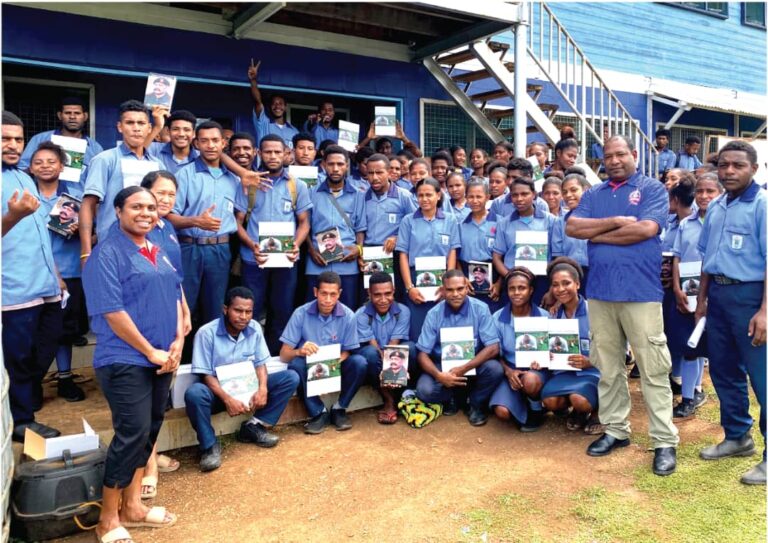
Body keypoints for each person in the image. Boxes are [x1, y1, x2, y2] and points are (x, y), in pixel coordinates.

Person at [566, 135, 679, 476]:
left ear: (634, 154)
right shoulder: (594, 194)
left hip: (641, 294)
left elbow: (645, 229)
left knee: (653, 369)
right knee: (608, 367)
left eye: (620, 154)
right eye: (607, 156)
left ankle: (664, 441)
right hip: (600, 293)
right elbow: (573, 226)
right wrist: (615, 222)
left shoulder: (652, 189)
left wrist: (595, 234)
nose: (614, 160)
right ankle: (616, 431)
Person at [82, 186, 182, 543]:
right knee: (132, 433)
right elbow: (112, 312)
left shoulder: (157, 249)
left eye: (152, 207)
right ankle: (108, 519)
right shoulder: (106, 254)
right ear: (119, 211)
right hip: (124, 359)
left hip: (161, 356)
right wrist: (149, 350)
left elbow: (173, 294)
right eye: (137, 206)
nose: (146, 212)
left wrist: (177, 340)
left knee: (150, 428)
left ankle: (134, 507)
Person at [695, 140, 766, 485]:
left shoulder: (763, 205)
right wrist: (702, 302)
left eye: (738, 165)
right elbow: (707, 258)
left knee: (763, 379)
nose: (729, 171)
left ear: (754, 168)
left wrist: (765, 311)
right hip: (719, 298)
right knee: (724, 371)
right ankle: (738, 437)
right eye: (724, 165)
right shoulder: (718, 205)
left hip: (752, 297)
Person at [185, 287, 299, 471]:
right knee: (194, 393)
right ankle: (209, 446)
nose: (244, 316)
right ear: (225, 309)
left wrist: (262, 389)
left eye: (248, 311)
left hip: (248, 390)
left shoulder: (254, 328)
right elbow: (205, 375)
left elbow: (261, 364)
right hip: (219, 394)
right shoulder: (206, 333)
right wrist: (228, 399)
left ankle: (254, 426)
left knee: (290, 377)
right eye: (238, 310)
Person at [2, 111, 63, 441]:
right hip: (13, 291)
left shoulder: (25, 178)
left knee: (45, 346)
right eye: (4, 139)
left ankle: (20, 401)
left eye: (18, 139)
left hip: (46, 285)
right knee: (19, 357)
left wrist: (56, 273)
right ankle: (21, 421)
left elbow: (40, 231)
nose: (12, 145)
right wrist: (11, 216)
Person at [234, 134, 312, 353]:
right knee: (250, 310)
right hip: (253, 259)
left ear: (286, 153)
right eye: (268, 152)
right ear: (259, 153)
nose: (273, 156)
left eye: (278, 152)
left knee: (283, 310)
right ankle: (248, 356)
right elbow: (237, 223)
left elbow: (304, 222)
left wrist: (295, 245)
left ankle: (276, 358)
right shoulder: (248, 184)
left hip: (285, 259)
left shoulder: (297, 186)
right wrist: (252, 246)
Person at [140, 170, 190, 498]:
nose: (166, 200)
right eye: (160, 193)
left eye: (172, 194)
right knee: (144, 392)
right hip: (147, 320)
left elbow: (175, 277)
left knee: (160, 392)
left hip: (172, 315)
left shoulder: (167, 228)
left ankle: (152, 452)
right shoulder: (136, 231)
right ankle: (147, 464)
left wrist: (184, 312)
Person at [166, 120, 242, 325]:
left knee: (215, 309)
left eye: (215, 140)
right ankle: (180, 356)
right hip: (188, 248)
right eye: (204, 141)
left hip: (220, 250)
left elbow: (241, 217)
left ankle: (209, 356)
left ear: (223, 143)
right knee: (184, 308)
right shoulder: (184, 175)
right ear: (196, 143)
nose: (210, 145)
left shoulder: (234, 180)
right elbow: (168, 216)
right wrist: (196, 221)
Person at [29, 141, 86, 402]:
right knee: (34, 329)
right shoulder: (25, 195)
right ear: (30, 167)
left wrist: (81, 230)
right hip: (32, 272)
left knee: (65, 330)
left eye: (51, 162)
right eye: (38, 162)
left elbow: (91, 234)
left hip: (70, 271)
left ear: (62, 166)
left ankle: (64, 378)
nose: (45, 166)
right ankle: (32, 382)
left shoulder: (75, 195)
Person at [280, 271, 369, 433]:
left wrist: (330, 370)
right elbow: (284, 355)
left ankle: (339, 408)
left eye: (333, 294)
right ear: (315, 292)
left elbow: (348, 351)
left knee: (360, 362)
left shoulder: (348, 316)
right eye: (323, 294)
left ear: (339, 294)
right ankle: (318, 412)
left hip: (335, 366)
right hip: (309, 369)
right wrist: (300, 351)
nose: (328, 300)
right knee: (295, 364)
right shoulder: (301, 313)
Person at [414, 270, 502, 425]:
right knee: (424, 391)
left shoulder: (481, 309)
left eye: (460, 289)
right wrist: (439, 376)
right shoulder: (433, 314)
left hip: (473, 365)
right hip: (443, 367)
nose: (455, 294)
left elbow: (493, 348)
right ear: (442, 290)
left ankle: (474, 403)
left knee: (495, 369)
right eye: (450, 290)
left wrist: (464, 368)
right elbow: (422, 354)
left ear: (467, 288)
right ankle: (453, 397)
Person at [80, 100, 162, 263]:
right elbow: (88, 205)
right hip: (112, 249)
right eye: (130, 122)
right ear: (120, 127)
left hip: (150, 248)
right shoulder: (105, 160)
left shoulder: (157, 164)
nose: (136, 128)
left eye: (141, 123)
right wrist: (86, 252)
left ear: (149, 128)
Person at [541, 258, 603, 434]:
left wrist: (590, 362)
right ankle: (579, 413)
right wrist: (545, 356)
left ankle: (598, 413)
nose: (560, 289)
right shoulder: (552, 316)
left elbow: (617, 349)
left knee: (579, 399)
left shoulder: (595, 312)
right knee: (550, 401)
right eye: (555, 285)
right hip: (564, 372)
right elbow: (545, 346)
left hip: (593, 371)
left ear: (577, 284)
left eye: (566, 283)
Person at [396, 177, 461, 339]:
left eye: (429, 195)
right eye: (420, 195)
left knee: (442, 327)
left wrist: (449, 285)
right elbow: (403, 255)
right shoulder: (408, 221)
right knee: (418, 329)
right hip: (415, 281)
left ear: (438, 195)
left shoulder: (450, 220)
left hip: (442, 281)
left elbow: (452, 252)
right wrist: (409, 288)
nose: (424, 199)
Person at [489, 267, 551, 431]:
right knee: (502, 413)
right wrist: (508, 372)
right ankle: (519, 401)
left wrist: (545, 359)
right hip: (509, 370)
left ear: (531, 291)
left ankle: (536, 408)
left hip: (536, 371)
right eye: (512, 288)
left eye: (522, 288)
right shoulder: (497, 318)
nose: (516, 292)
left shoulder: (545, 317)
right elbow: (494, 353)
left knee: (530, 380)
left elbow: (554, 350)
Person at [306, 145, 367, 310]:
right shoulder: (311, 193)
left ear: (347, 166)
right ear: (324, 165)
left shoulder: (358, 194)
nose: (335, 168)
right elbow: (305, 226)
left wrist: (358, 249)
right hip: (317, 262)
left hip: (347, 262)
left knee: (347, 310)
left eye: (340, 164)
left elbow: (360, 228)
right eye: (331, 164)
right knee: (315, 309)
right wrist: (312, 251)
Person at [354, 272, 414, 424]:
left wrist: (391, 368)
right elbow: (373, 345)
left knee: (411, 348)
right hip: (376, 360)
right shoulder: (361, 314)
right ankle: (388, 400)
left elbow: (394, 345)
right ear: (369, 293)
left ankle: (403, 392)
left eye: (388, 294)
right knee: (370, 353)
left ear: (393, 290)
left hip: (393, 355)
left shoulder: (403, 311)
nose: (383, 300)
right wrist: (386, 369)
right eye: (377, 295)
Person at [492, 177, 556, 305]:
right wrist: (510, 276)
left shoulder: (551, 221)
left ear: (534, 194)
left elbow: (556, 256)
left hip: (542, 280)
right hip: (513, 282)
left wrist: (552, 288)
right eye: (515, 195)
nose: (519, 199)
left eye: (524, 194)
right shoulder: (504, 223)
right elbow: (497, 257)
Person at [19, 96, 104, 178]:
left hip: (80, 193)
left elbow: (100, 177)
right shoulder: (40, 139)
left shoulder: (95, 148)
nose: (72, 117)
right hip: (43, 192)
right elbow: (21, 169)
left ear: (85, 116)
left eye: (77, 113)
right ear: (60, 115)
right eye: (67, 113)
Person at [458, 180, 501, 311]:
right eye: (470, 197)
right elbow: (455, 255)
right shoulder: (460, 225)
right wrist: (462, 277)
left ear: (487, 198)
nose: (474, 201)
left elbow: (505, 257)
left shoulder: (499, 222)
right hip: (467, 276)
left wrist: (499, 284)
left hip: (494, 277)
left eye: (479, 196)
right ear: (466, 198)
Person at [551, 169, 590, 291]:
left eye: (573, 190)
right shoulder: (560, 223)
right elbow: (557, 256)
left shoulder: (600, 218)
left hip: (595, 274)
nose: (568, 195)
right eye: (564, 192)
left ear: (586, 190)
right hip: (569, 276)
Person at [247, 60, 299, 148]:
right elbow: (257, 102)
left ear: (285, 107)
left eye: (280, 103)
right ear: (270, 107)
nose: (277, 106)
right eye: (274, 104)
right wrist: (253, 80)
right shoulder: (263, 124)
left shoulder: (294, 131)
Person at [145, 109, 200, 174]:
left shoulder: (201, 157)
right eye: (175, 129)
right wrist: (157, 127)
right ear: (168, 131)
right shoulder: (154, 149)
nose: (181, 134)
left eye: (186, 130)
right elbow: (136, 152)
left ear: (194, 133)